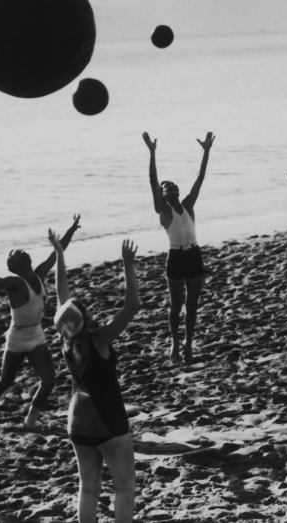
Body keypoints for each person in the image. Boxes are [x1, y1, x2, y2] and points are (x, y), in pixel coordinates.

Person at [50, 230, 140, 523]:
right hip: (107, 416)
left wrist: (60, 255)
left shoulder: (67, 341)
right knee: (125, 486)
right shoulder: (99, 339)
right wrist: (128, 264)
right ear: (86, 317)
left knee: (88, 488)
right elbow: (131, 308)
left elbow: (61, 296)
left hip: (77, 417)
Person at [0, 214, 81, 426]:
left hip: (36, 334)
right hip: (17, 337)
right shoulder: (14, 282)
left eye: (23, 252)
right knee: (5, 382)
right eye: (17, 254)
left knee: (49, 379)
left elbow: (57, 252)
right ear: (14, 265)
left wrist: (71, 229)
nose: (23, 252)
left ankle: (31, 418)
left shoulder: (39, 273)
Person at [141, 131, 215, 364]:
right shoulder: (163, 211)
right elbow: (153, 181)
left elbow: (200, 178)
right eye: (167, 187)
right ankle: (174, 343)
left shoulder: (188, 205)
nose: (171, 187)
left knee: (192, 305)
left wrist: (206, 152)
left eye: (173, 185)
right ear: (162, 196)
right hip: (175, 257)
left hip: (194, 255)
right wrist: (152, 153)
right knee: (176, 307)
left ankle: (189, 344)